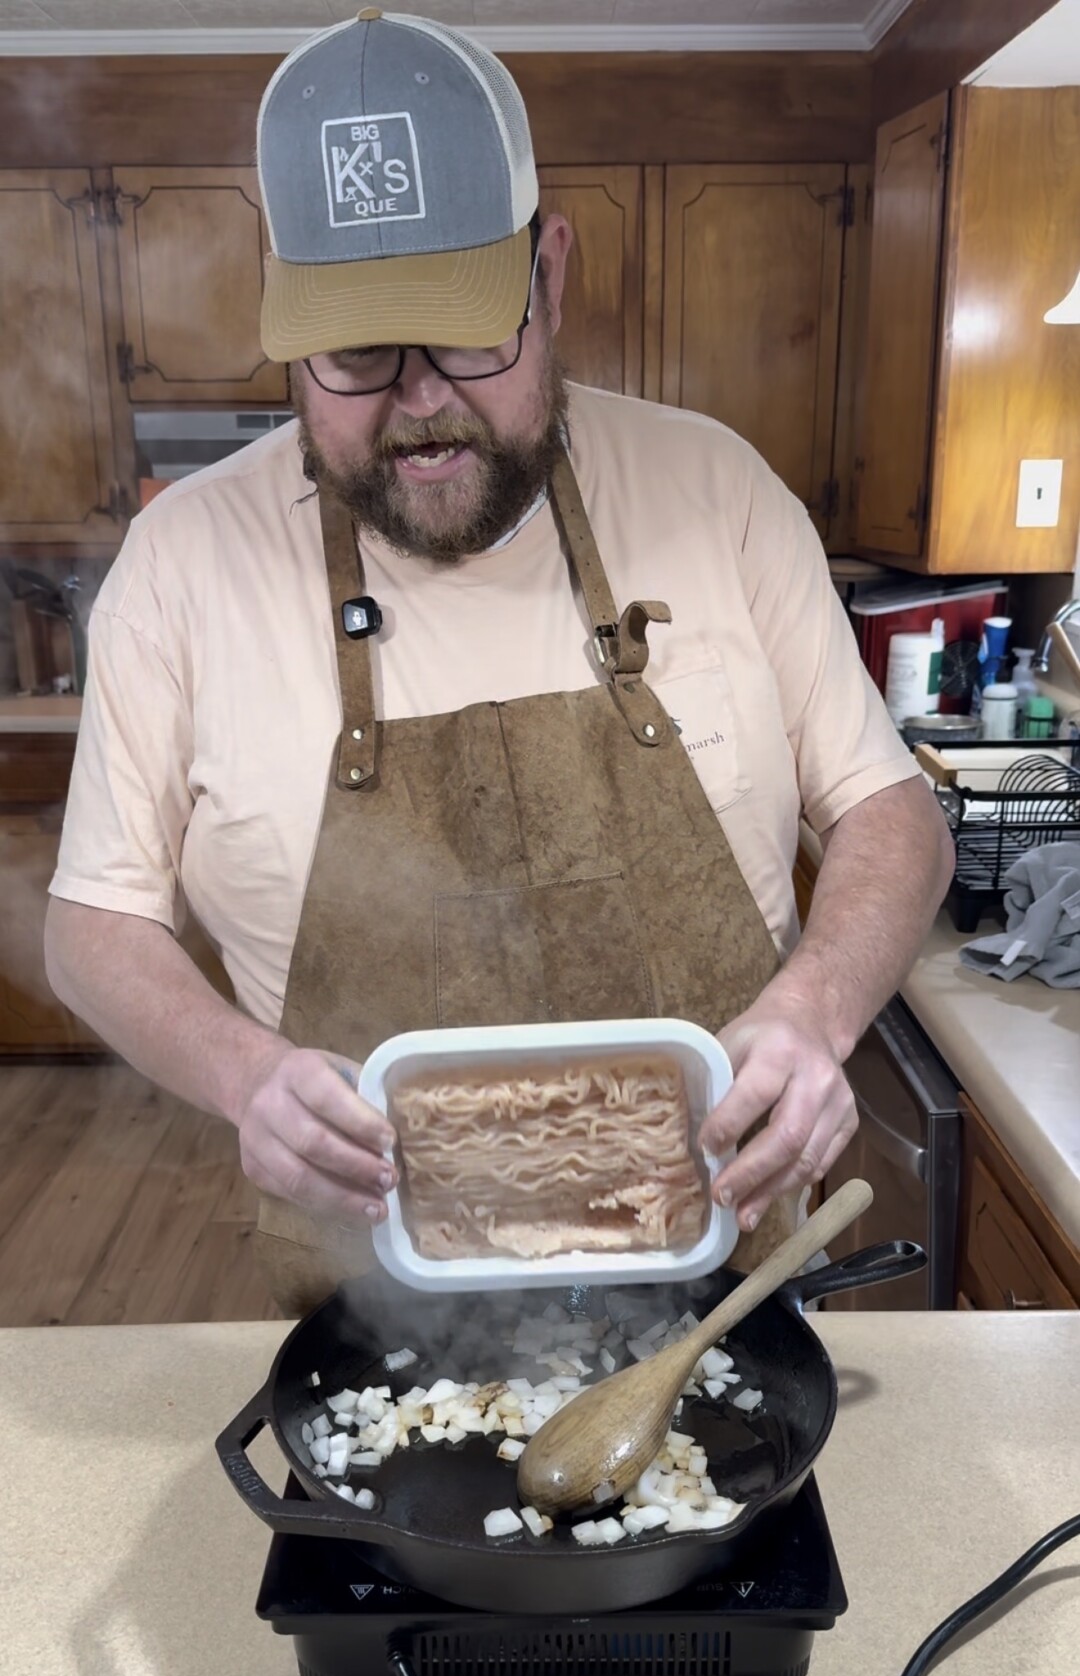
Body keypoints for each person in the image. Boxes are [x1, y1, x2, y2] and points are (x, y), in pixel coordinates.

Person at [44, 10, 954, 1313]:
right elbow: (94, 925)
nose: (419, 404)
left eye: (467, 333)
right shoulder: (182, 565)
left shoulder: (719, 493)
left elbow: (890, 813)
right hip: (374, 1310)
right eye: (358, 353)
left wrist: (815, 1014)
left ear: (553, 275)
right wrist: (243, 1075)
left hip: (723, 1287)